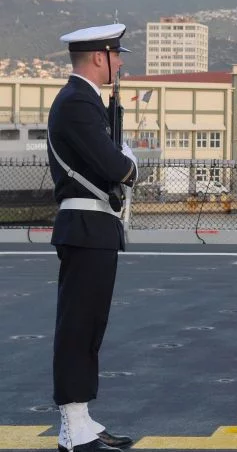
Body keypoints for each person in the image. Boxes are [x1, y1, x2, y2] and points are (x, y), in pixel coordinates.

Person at [47, 24, 138, 452]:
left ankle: (82, 419)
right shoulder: (78, 102)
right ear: (100, 57)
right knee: (78, 328)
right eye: (116, 55)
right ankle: (71, 428)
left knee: (90, 329)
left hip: (95, 228)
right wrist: (130, 164)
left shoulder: (84, 101)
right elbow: (113, 166)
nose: (120, 62)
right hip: (85, 228)